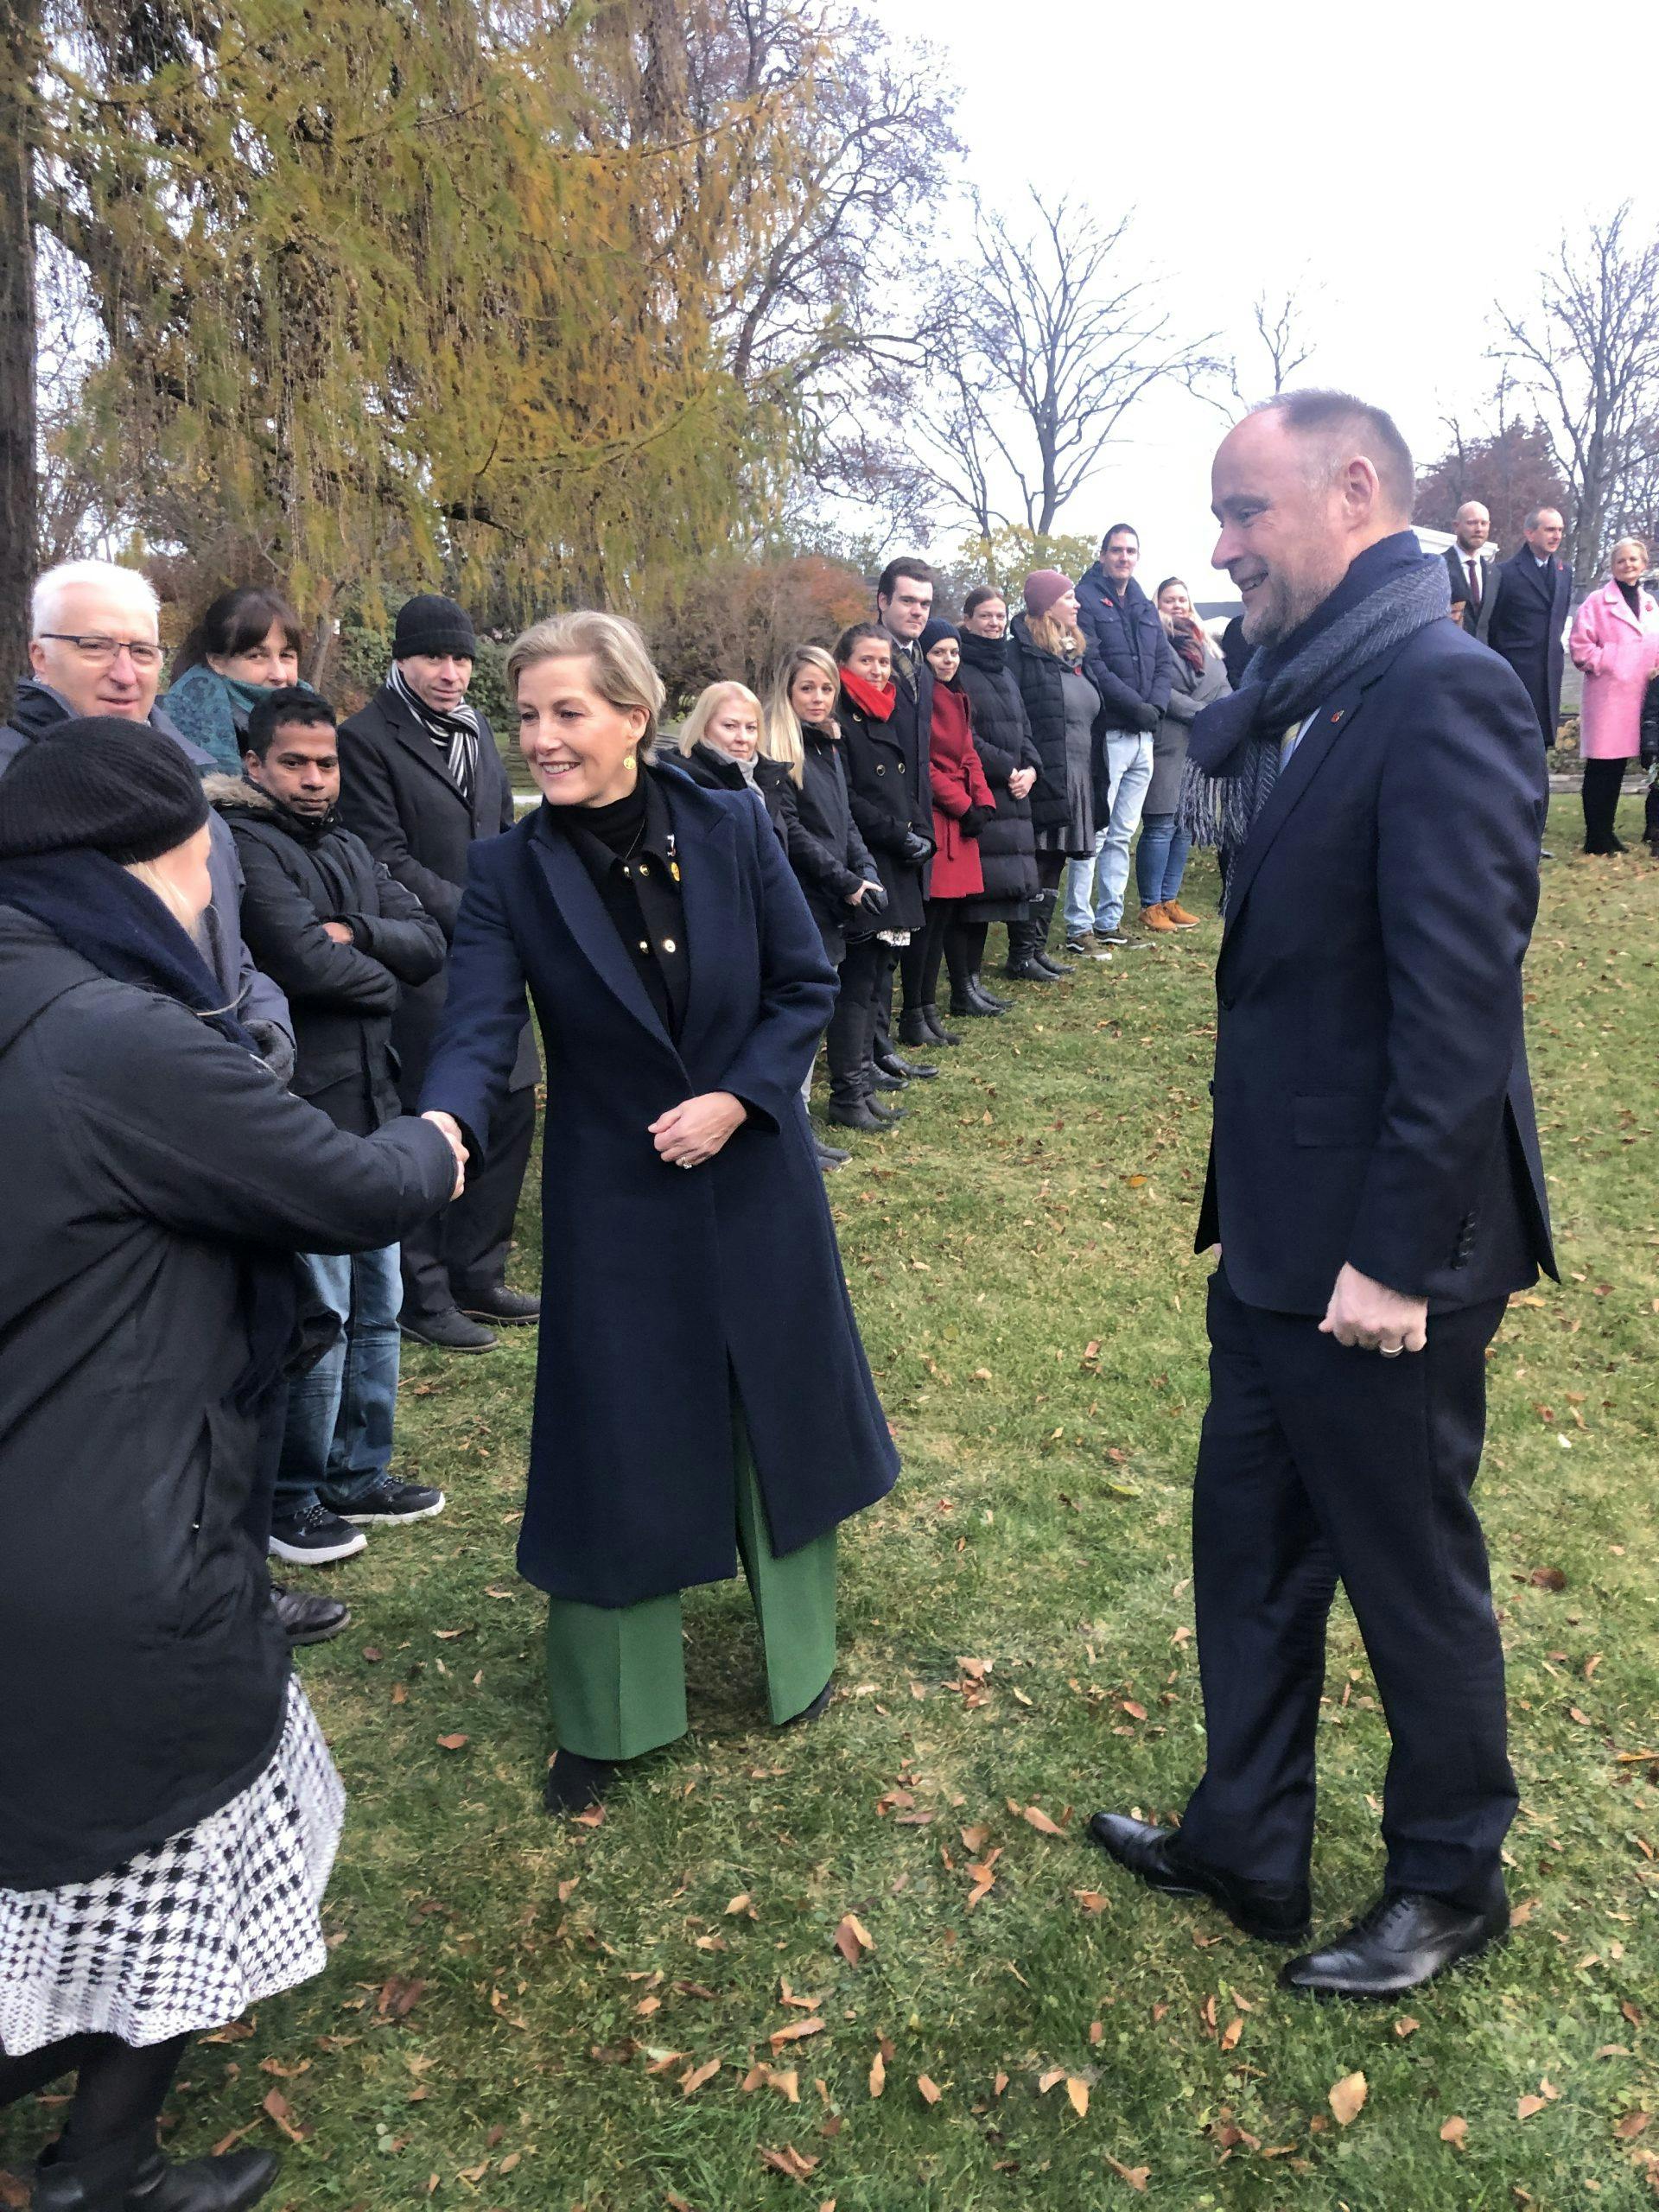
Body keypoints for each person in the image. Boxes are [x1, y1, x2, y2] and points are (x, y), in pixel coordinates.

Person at [1094, 391, 1554, 2001]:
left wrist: (1393, 1259)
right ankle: (1248, 1841)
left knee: (1407, 1569)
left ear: (1354, 490)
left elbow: (1459, 1008)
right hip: (1279, 1238)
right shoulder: (1323, 688)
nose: (1221, 551)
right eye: (1214, 519)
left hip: (1383, 1260)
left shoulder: (1443, 692)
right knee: (1254, 1549)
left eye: (1244, 514)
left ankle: (1452, 1876)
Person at [0, 721, 460, 2212]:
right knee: (190, 1823)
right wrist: (444, 1136)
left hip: (44, 1492)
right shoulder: (114, 1038)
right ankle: (104, 2175)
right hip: (116, 1518)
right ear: (160, 869)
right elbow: (342, 1184)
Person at [417, 611, 899, 1815]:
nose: (541, 740)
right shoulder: (508, 872)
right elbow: (478, 1030)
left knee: (775, 1400)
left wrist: (741, 1100)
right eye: (524, 717)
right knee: (615, 1436)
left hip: (753, 1178)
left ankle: (801, 1660)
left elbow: (802, 981)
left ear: (633, 715)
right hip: (614, 1192)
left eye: (566, 713)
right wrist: (443, 1128)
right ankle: (611, 1716)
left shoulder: (732, 824)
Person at [216, 688, 450, 1567]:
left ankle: (360, 1467)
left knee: (378, 1303)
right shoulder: (242, 844)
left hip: (374, 1101)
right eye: (295, 764)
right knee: (323, 1312)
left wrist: (357, 934)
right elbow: (300, 962)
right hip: (299, 1108)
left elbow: (427, 937)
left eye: (326, 763)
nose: (315, 779)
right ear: (255, 764)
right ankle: (293, 1491)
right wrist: (373, 962)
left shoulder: (348, 843)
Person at [336, 594, 540, 1353]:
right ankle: (421, 1296)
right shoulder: (364, 739)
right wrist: (483, 917)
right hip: (424, 959)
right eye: (434, 658)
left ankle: (476, 1272)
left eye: (460, 659)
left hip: (495, 954)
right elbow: (385, 857)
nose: (451, 673)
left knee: (511, 1106)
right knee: (433, 1118)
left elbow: (500, 831)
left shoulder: (479, 729)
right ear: (401, 658)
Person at [1, 559, 295, 1082]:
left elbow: (225, 929)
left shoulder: (197, 772)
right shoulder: (13, 790)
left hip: (221, 1089)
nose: (124, 673)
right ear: (39, 656)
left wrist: (265, 1024)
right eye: (94, 646)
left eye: (141, 651)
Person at [763, 646, 886, 1156]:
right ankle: (793, 1129)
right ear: (787, 692)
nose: (817, 698)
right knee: (802, 1016)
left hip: (835, 893)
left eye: (826, 688)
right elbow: (792, 830)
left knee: (827, 1004)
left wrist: (867, 871)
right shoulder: (779, 750)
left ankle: (809, 1121)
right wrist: (844, 881)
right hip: (803, 897)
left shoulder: (827, 745)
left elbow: (844, 821)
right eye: (806, 688)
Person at [836, 620, 932, 1103]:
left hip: (896, 846)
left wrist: (922, 830)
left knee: (884, 964)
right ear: (844, 664)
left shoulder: (889, 707)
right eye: (865, 661)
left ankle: (878, 1049)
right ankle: (858, 1069)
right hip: (868, 852)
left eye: (883, 661)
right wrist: (898, 835)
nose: (877, 670)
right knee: (864, 967)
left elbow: (903, 780)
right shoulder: (839, 714)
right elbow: (847, 795)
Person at [1071, 524, 1176, 951]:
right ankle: (1079, 926)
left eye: (1131, 551)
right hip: (1109, 732)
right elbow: (1092, 662)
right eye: (1116, 550)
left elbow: (1164, 662)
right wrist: (1135, 705)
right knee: (1095, 832)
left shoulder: (1143, 604)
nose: (1123, 557)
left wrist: (1156, 707)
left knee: (1122, 834)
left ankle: (1109, 920)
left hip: (1143, 735)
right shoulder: (1086, 599)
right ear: (1102, 554)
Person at [952, 587, 1048, 994]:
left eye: (999, 615)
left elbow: (1024, 728)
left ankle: (977, 983)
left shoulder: (1005, 671)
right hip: (983, 793)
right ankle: (966, 982)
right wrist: (1008, 768)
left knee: (1001, 891)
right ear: (969, 619)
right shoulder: (960, 669)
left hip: (1014, 794)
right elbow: (963, 735)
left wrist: (1030, 768)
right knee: (974, 900)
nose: (994, 623)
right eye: (985, 615)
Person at [870, 559, 942, 1077]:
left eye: (924, 603)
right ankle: (868, 1052)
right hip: (875, 819)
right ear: (882, 601)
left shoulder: (919, 661)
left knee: (896, 940)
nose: (917, 611)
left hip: (913, 814)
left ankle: (882, 1044)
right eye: (907, 601)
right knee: (874, 944)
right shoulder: (866, 659)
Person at [1010, 572, 1101, 973]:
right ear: (1046, 604)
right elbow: (1018, 718)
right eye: (1068, 597)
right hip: (1047, 771)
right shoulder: (1023, 654)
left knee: (1056, 860)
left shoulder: (1074, 657)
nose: (1077, 604)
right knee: (1038, 860)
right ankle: (1020, 955)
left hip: (1079, 772)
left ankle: (1036, 950)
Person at [907, 620, 997, 1021]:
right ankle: (918, 1008)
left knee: (945, 918)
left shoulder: (957, 695)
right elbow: (925, 764)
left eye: (954, 652)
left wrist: (983, 800)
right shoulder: (924, 699)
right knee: (928, 921)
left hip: (959, 819)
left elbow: (968, 752)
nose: (948, 660)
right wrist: (964, 804)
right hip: (940, 815)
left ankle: (929, 1009)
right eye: (938, 652)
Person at [1137, 578, 1227, 931]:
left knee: (1185, 826)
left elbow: (1223, 685)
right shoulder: (1152, 641)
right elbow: (1162, 692)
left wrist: (1220, 714)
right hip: (1168, 741)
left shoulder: (1206, 644)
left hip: (1200, 744)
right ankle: (1150, 905)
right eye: (1169, 599)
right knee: (1161, 824)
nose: (1177, 605)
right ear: (1157, 603)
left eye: (1183, 599)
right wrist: (1204, 713)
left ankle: (1170, 899)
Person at [1567, 537, 1659, 855]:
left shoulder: (1650, 604)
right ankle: (1597, 836)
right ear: (1612, 566)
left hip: (1641, 696)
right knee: (1603, 768)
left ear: (1644, 564)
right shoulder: (1596, 602)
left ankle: (1609, 833)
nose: (1628, 565)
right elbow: (1580, 647)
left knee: (1620, 768)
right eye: (1621, 560)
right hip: (1608, 696)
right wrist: (1611, 661)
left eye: (1634, 559)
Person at [163, 586, 309, 773]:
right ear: (216, 661)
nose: (279, 675)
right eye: (257, 656)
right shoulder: (175, 731)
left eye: (286, 655)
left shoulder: (320, 723)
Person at [1484, 506, 1573, 753]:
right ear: (1530, 533)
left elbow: (1558, 619)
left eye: (1560, 530)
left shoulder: (1565, 573)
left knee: (1541, 750)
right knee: (1511, 748)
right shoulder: (1504, 573)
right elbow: (1492, 625)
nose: (1556, 536)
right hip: (1516, 674)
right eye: (1550, 529)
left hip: (1550, 676)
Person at [671, 680, 798, 849]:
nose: (743, 738)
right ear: (703, 726)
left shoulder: (767, 779)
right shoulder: (687, 783)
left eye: (751, 728)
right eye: (730, 726)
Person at [1442, 501, 1494, 637]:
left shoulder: (1495, 574)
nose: (1479, 529)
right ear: (1456, 526)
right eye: (1472, 523)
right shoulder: (1438, 567)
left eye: (1484, 523)